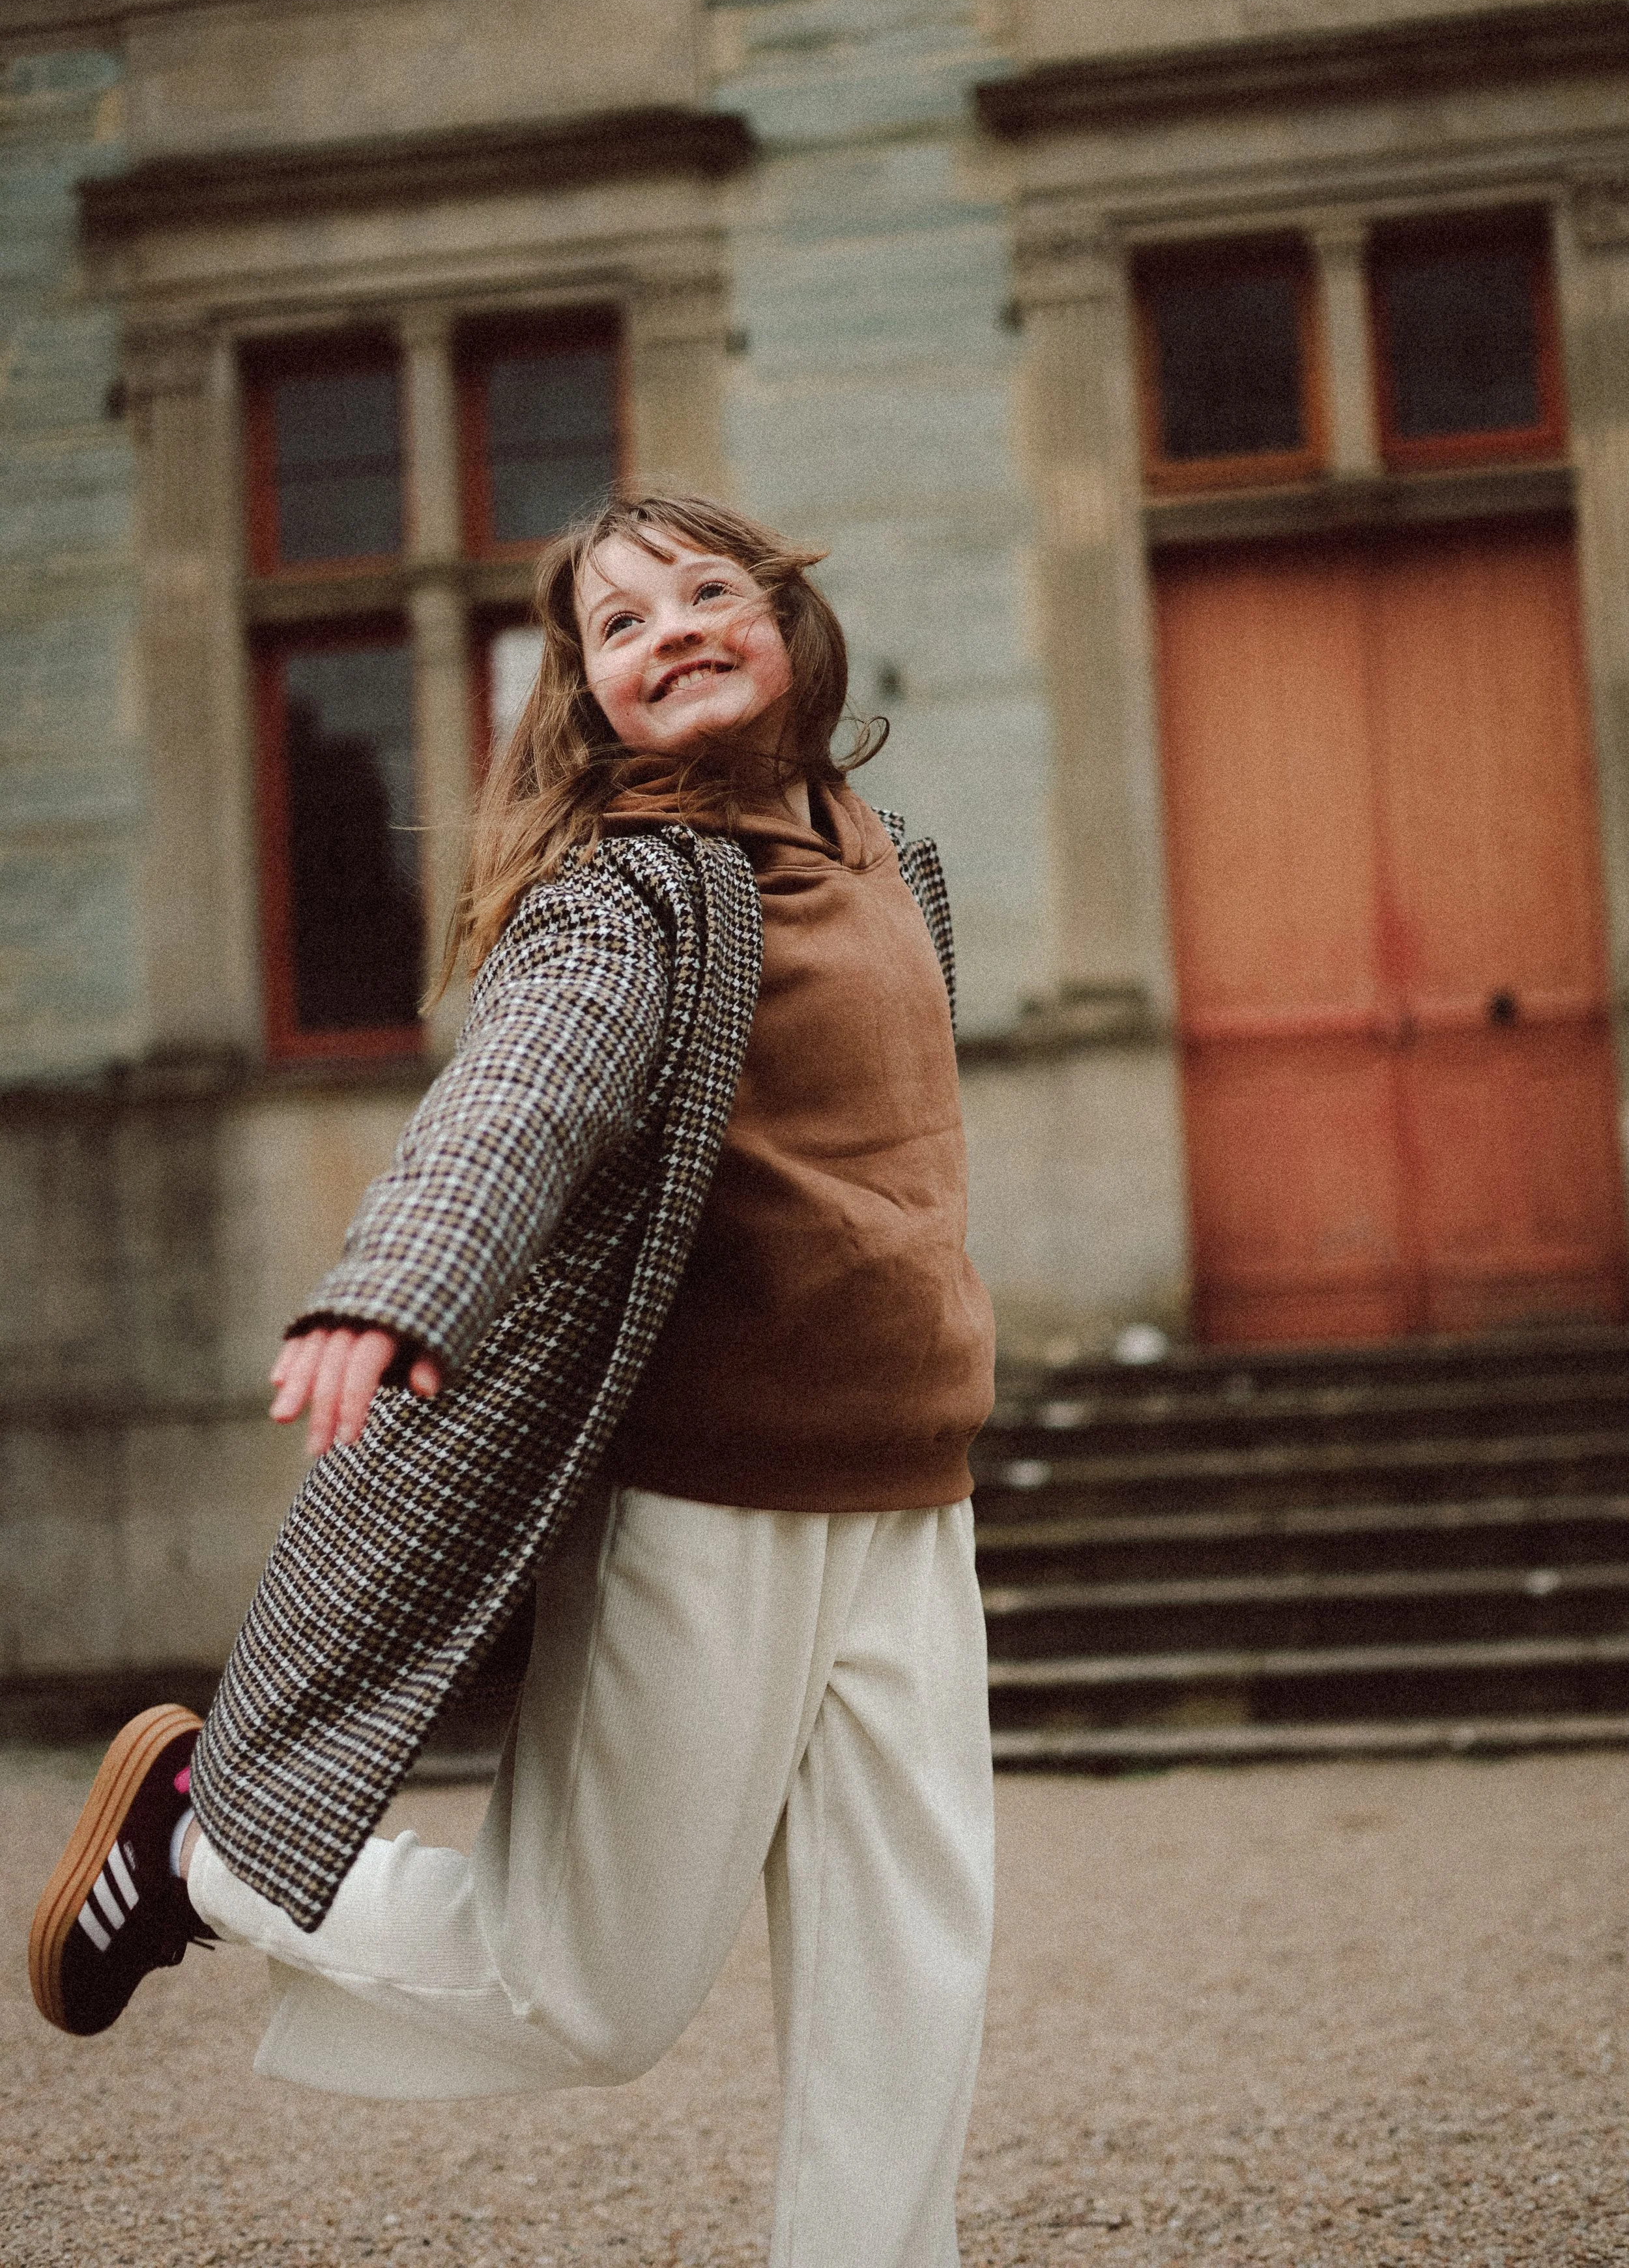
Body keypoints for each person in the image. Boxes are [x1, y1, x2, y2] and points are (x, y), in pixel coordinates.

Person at [29, 488, 997, 2268]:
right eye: (620, 625)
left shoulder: (885, 857)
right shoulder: (634, 895)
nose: (671, 631)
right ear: (588, 695)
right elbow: (519, 1095)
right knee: (592, 1993)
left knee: (909, 1962)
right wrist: (397, 1286)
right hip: (713, 1510)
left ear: (788, 621)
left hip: (912, 1499)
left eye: (705, 591)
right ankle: (204, 1850)